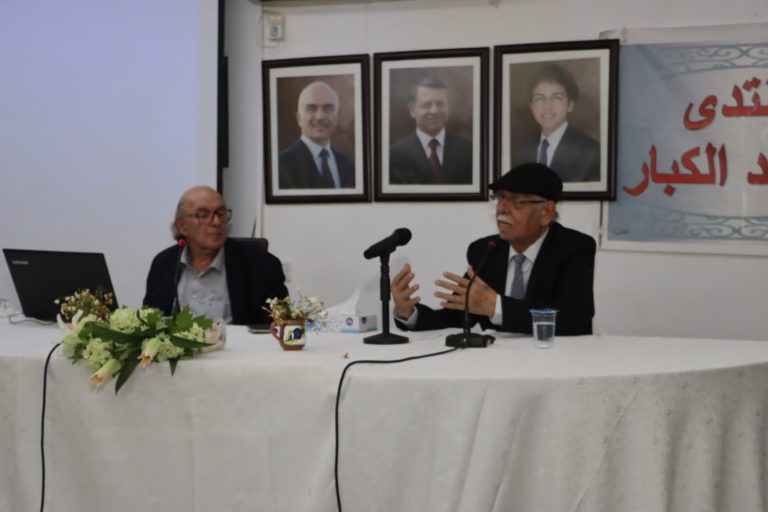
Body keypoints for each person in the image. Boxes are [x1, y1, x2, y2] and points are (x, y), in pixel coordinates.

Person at [391, 163, 595, 335]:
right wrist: (408, 312)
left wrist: (496, 307)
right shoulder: (486, 250)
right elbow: (456, 316)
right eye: (500, 198)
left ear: (547, 212)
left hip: (552, 359)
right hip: (497, 362)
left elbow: (575, 319)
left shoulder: (575, 248)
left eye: (516, 201)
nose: (502, 209)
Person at [143, 186, 288, 325]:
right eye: (203, 215)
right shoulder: (163, 263)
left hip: (236, 343)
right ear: (182, 226)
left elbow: (280, 328)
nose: (216, 222)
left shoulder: (262, 265)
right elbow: (149, 321)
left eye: (221, 213)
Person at [519, 64, 600, 183]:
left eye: (556, 97)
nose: (547, 107)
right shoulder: (523, 151)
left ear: (570, 105)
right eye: (539, 98)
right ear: (531, 106)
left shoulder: (591, 152)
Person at [389, 76, 473, 184]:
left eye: (440, 104)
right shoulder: (394, 155)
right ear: (412, 110)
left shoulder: (468, 150)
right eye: (426, 105)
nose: (434, 111)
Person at [278, 81, 355, 189]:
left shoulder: (348, 165)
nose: (320, 117)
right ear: (299, 118)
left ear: (336, 118)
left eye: (327, 109)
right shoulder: (280, 165)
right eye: (312, 109)